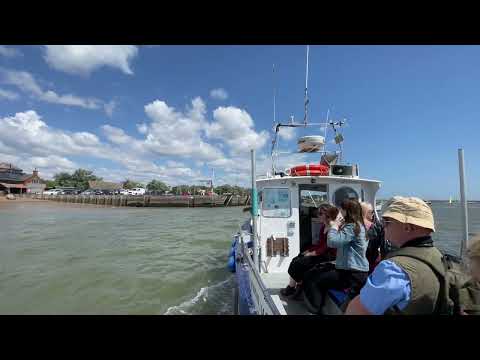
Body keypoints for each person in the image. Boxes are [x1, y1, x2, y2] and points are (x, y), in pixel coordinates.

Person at [345, 196, 443, 315]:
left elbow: (356, 312)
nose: (383, 226)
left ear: (407, 227)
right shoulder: (440, 258)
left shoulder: (394, 270)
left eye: (386, 222)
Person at [303, 199, 369, 313]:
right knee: (317, 274)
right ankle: (319, 306)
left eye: (341, 209)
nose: (339, 212)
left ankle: (315, 308)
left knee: (316, 279)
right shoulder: (357, 225)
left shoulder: (352, 227)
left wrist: (334, 226)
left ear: (346, 211)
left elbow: (332, 242)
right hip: (353, 271)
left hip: (352, 274)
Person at [280, 204, 338, 298]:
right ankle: (295, 286)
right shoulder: (324, 227)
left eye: (320, 213)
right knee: (297, 258)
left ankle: (294, 287)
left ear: (327, 215)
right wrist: (308, 251)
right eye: (317, 213)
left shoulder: (333, 228)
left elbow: (325, 247)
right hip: (321, 253)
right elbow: (319, 244)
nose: (318, 215)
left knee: (299, 263)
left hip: (328, 256)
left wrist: (312, 253)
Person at [360, 201, 391, 273]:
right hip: (372, 262)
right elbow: (384, 247)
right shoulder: (377, 227)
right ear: (365, 212)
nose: (373, 214)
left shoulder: (350, 226)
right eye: (371, 212)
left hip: (355, 264)